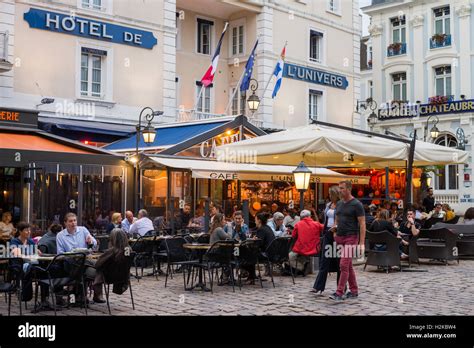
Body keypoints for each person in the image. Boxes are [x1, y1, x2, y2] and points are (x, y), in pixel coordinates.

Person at [329, 180, 365, 301]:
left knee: (343, 265)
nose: (340, 190)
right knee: (348, 266)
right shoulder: (339, 204)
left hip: (351, 237)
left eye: (342, 188)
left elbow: (362, 224)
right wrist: (334, 231)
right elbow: (337, 220)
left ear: (349, 189)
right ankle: (354, 290)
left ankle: (339, 292)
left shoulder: (357, 204)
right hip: (340, 237)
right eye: (339, 188)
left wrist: (361, 243)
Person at [87, 228, 131, 303]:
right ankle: (96, 295)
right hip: (122, 277)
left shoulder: (112, 251)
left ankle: (82, 296)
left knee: (85, 269)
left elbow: (98, 265)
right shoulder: (129, 250)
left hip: (107, 277)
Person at [312, 185, 341, 294]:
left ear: (335, 194)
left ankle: (341, 287)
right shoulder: (329, 205)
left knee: (339, 261)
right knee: (324, 260)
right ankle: (318, 286)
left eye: (330, 194)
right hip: (328, 233)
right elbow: (325, 219)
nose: (329, 196)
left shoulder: (342, 205)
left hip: (337, 233)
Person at [289, 210, 323, 274]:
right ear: (309, 216)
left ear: (301, 217)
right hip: (315, 249)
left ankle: (301, 267)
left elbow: (293, 236)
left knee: (289, 257)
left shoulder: (298, 224)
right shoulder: (316, 224)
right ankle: (305, 263)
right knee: (301, 256)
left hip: (301, 249)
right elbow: (325, 229)